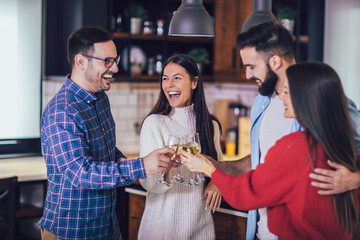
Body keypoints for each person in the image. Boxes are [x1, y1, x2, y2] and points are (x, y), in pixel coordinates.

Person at [202, 22, 360, 240]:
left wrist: (355, 180)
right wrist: (221, 169)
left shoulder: (323, 101)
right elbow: (264, 161)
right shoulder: (262, 102)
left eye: (251, 66)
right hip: (260, 232)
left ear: (274, 61)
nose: (247, 75)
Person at [38, 26, 175, 240]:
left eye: (116, 60)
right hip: (72, 231)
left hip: (106, 226)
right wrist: (141, 166)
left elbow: (104, 148)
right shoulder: (63, 111)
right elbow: (80, 174)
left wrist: (125, 159)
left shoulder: (100, 98)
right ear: (81, 62)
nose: (116, 68)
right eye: (107, 61)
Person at [138, 54, 223, 240]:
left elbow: (220, 166)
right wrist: (167, 169)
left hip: (201, 229)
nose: (169, 85)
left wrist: (217, 183)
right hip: (161, 230)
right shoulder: (155, 123)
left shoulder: (211, 125)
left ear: (194, 83)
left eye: (177, 78)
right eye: (165, 79)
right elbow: (147, 183)